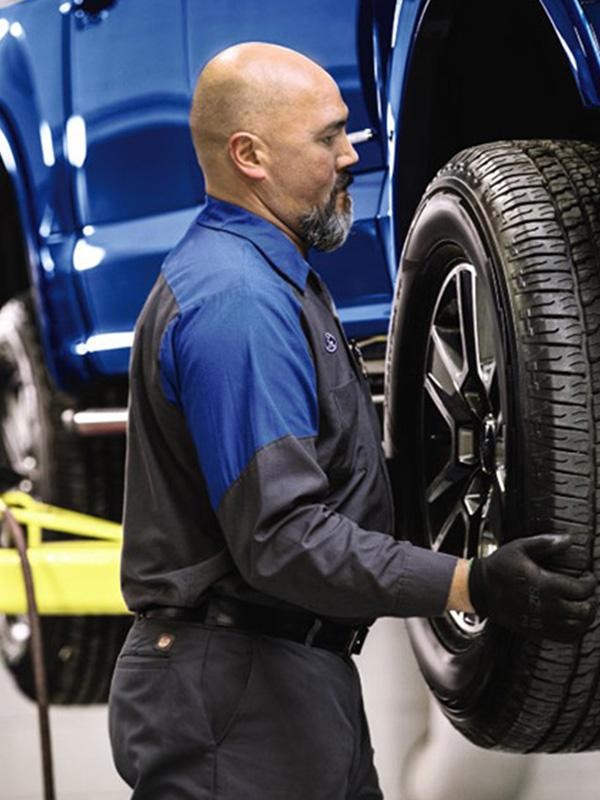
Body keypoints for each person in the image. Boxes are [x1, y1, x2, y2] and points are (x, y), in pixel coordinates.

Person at [108, 42, 597, 799]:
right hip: (237, 696)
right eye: (329, 136)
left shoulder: (272, 278)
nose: (351, 158)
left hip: (284, 679)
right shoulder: (236, 305)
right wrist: (472, 583)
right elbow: (284, 538)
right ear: (251, 155)